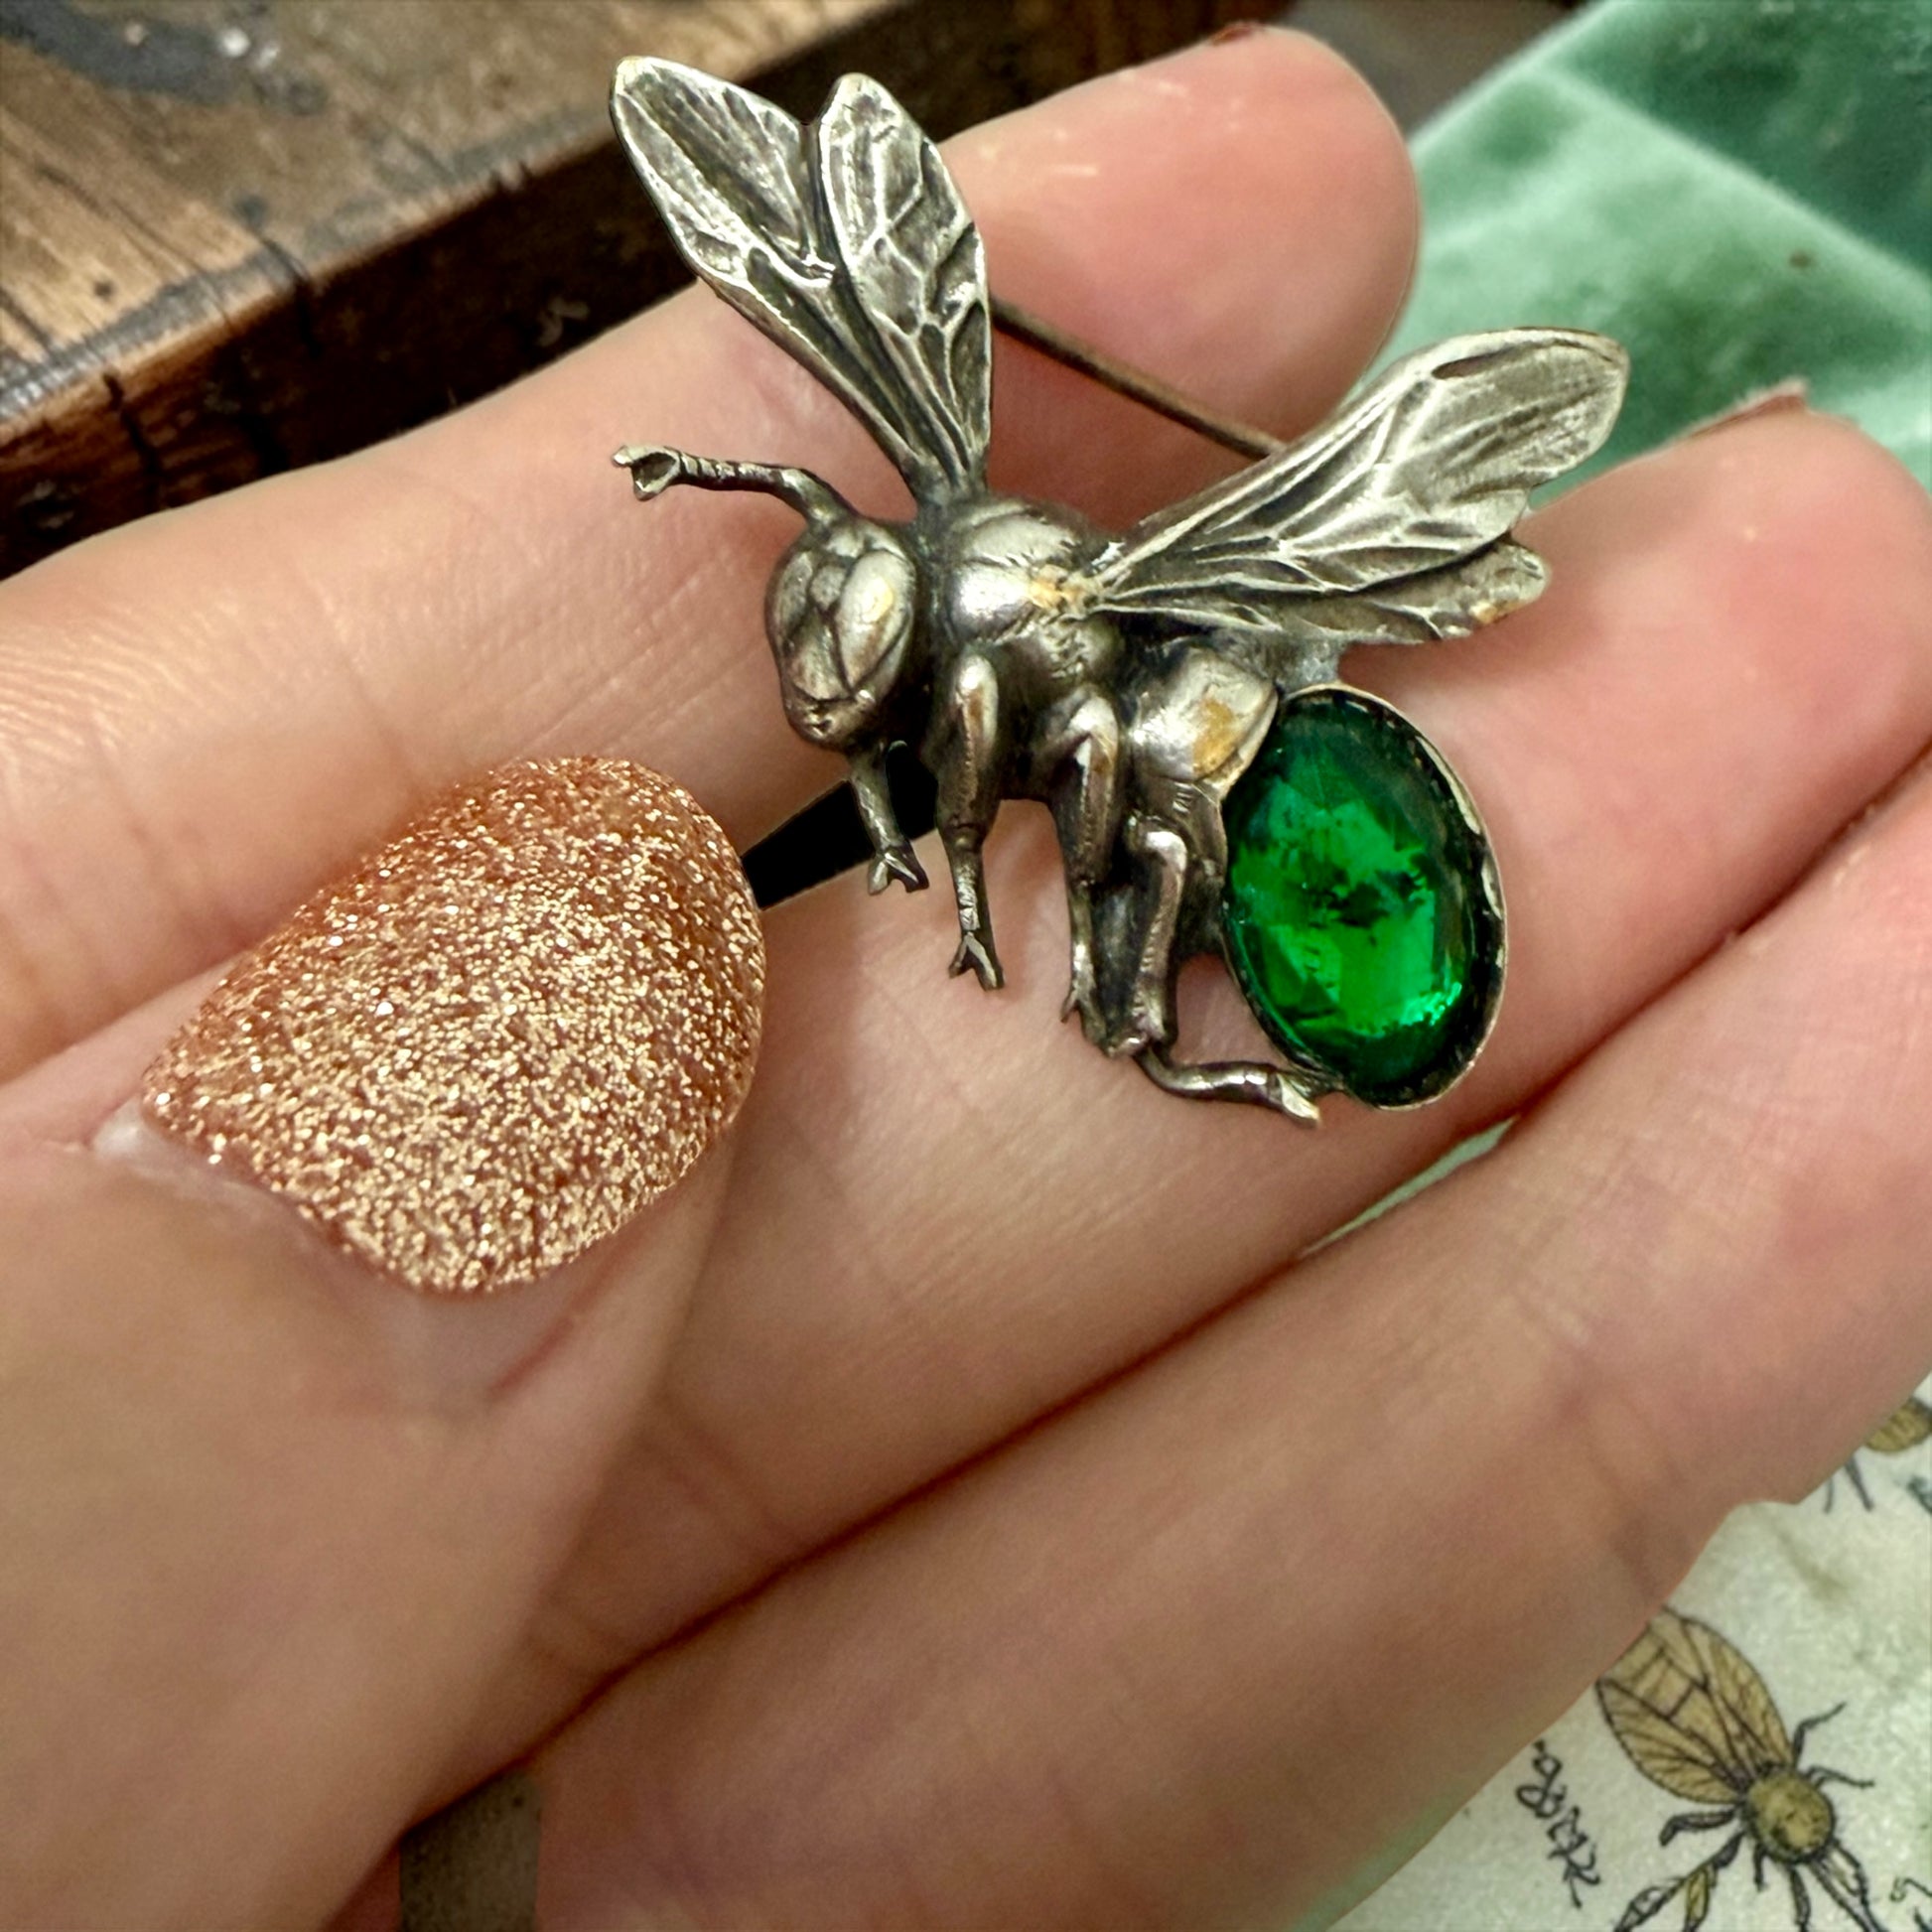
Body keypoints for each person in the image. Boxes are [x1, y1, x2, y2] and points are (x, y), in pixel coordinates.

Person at [2, 26, 1928, 1929]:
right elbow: (887, 669)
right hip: (1135, 731)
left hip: (1221, 750)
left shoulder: (1037, 647)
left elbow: (1018, 738)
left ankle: (1175, 1026)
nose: (843, 693)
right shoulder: (924, 577)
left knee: (1111, 780)